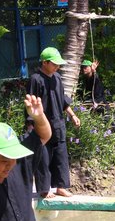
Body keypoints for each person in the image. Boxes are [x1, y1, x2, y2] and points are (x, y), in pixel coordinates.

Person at [27, 47, 80, 199]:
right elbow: (30, 104)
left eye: (58, 64)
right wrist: (31, 125)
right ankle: (44, 189)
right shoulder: (35, 79)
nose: (58, 67)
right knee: (43, 157)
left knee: (61, 157)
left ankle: (61, 187)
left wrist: (72, 115)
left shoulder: (57, 77)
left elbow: (63, 100)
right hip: (42, 126)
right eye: (54, 64)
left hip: (58, 124)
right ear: (45, 62)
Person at [78, 59, 115, 147]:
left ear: (91, 68)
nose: (84, 69)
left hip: (101, 106)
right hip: (93, 106)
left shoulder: (95, 77)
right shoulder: (86, 79)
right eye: (82, 67)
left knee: (110, 124)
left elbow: (96, 80)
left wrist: (94, 71)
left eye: (86, 67)